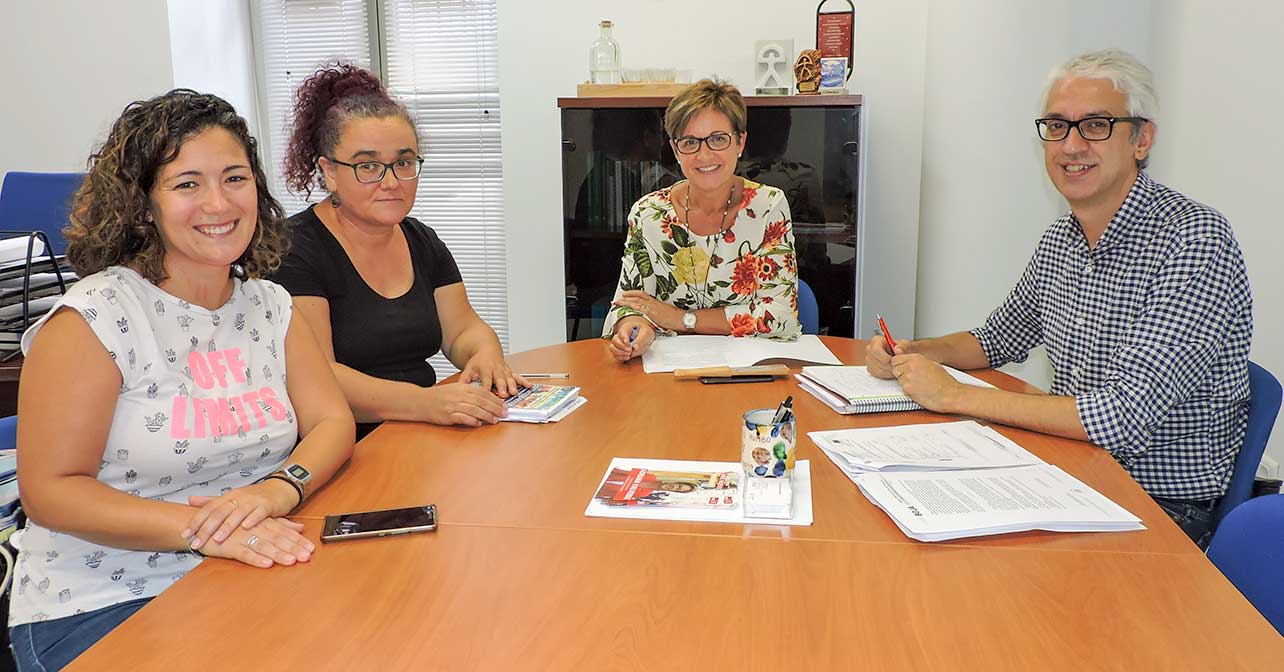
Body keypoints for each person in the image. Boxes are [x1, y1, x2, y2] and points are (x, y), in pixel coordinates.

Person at [9, 90, 356, 670]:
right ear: (142, 205)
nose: (218, 203)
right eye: (187, 183)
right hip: (101, 601)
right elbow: (49, 491)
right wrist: (206, 530)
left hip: (244, 565)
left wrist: (276, 491)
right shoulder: (95, 317)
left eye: (235, 178)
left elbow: (331, 420)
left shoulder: (270, 305)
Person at [865, 49, 1252, 545]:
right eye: (1057, 126)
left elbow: (1120, 418)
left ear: (1142, 138)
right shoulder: (1060, 241)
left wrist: (953, 395)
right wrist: (912, 352)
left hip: (1161, 511)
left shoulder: (1195, 241)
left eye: (1095, 125)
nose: (1071, 145)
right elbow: (994, 339)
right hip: (1072, 476)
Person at [272, 64, 522, 436]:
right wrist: (425, 403)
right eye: (367, 166)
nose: (390, 182)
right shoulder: (293, 249)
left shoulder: (421, 239)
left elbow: (461, 330)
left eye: (403, 163)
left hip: (419, 430)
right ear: (329, 171)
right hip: (343, 445)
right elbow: (317, 378)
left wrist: (485, 354)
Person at [603, 79, 802, 361]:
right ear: (675, 150)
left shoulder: (768, 206)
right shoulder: (648, 213)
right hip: (667, 371)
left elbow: (780, 315)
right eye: (690, 142)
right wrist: (634, 329)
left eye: (718, 139)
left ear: (740, 142)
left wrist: (682, 319)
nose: (704, 154)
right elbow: (627, 305)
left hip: (749, 371)